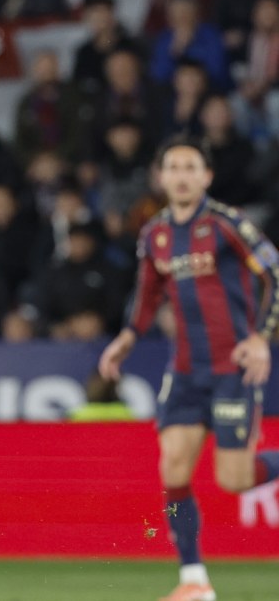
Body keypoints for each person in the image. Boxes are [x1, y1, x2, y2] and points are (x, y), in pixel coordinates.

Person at [98, 138, 279, 601]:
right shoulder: (154, 234)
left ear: (206, 176)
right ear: (160, 177)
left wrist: (261, 336)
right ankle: (194, 580)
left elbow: (274, 274)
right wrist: (128, 337)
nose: (180, 175)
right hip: (185, 371)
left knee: (233, 479)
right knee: (173, 468)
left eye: (190, 167)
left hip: (232, 368)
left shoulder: (226, 224)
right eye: (172, 167)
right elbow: (147, 294)